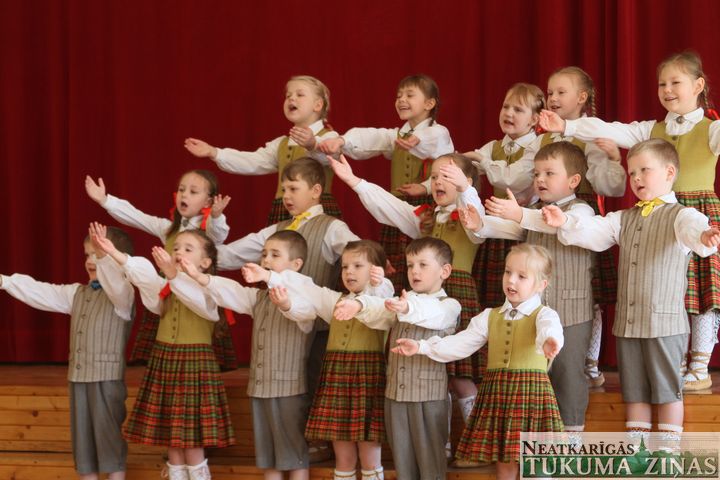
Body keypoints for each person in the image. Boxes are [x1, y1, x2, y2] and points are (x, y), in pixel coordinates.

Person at [539, 52, 720, 390]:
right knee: (670, 291)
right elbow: (609, 129)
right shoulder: (653, 129)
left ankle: (699, 364)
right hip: (658, 215)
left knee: (702, 292)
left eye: (675, 82)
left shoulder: (712, 129)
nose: (666, 89)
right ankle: (677, 359)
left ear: (698, 85)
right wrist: (568, 126)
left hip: (696, 212)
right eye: (661, 84)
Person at [543, 138, 720, 442]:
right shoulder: (623, 218)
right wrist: (566, 221)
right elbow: (593, 232)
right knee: (634, 390)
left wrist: (704, 235)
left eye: (644, 170)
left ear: (669, 172)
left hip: (664, 324)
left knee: (667, 391)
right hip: (628, 325)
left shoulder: (681, 215)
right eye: (632, 172)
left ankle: (666, 454)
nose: (636, 178)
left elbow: (694, 229)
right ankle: (637, 453)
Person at [329, 152, 482, 447]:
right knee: (435, 374)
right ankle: (445, 444)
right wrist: (354, 181)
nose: (438, 181)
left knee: (460, 376)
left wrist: (465, 189)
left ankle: (474, 442)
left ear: (465, 181)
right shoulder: (427, 217)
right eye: (434, 176)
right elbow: (391, 208)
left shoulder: (471, 216)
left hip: (456, 291)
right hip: (420, 296)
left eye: (446, 176)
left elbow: (473, 209)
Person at [216, 156, 360, 462]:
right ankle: (301, 447)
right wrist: (203, 240)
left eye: (294, 188)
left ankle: (319, 444)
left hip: (319, 325)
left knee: (314, 380)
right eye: (283, 189)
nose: (286, 196)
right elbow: (228, 256)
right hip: (283, 323)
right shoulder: (276, 231)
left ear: (316, 190)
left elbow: (357, 254)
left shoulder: (332, 227)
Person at [391, 244, 564, 480]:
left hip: (530, 395)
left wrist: (551, 341)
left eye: (521, 276)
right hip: (499, 394)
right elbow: (460, 343)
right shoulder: (489, 317)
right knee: (504, 460)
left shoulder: (544, 314)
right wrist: (421, 346)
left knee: (536, 461)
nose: (511, 280)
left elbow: (549, 329)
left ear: (541, 285)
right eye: (507, 272)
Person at [458, 141, 596, 432]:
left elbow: (559, 225)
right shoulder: (533, 211)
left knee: (567, 376)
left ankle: (570, 445)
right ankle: (537, 445)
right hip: (532, 314)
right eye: (536, 174)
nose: (540, 180)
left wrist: (519, 214)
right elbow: (510, 228)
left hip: (570, 312)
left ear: (573, 181)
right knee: (533, 381)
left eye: (549, 173)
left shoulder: (582, 211)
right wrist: (479, 225)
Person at [93, 227, 236, 480]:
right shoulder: (166, 285)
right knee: (173, 437)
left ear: (205, 262)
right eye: (176, 248)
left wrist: (174, 276)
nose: (178, 252)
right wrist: (114, 253)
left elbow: (200, 305)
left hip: (194, 363)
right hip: (166, 360)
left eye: (187, 249)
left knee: (191, 440)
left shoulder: (211, 289)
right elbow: (145, 277)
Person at [0, 225, 134, 480]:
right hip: (78, 377)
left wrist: (107, 258)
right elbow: (42, 292)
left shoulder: (123, 295)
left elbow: (116, 282)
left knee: (108, 436)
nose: (90, 260)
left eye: (98, 253)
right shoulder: (77, 293)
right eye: (87, 254)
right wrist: (5, 281)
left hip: (106, 379)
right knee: (82, 439)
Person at [181, 230, 316, 480]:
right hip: (260, 388)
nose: (266, 259)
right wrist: (199, 277)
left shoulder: (303, 293)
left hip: (288, 389)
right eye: (264, 254)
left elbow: (303, 312)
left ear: (296, 264)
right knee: (268, 456)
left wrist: (286, 304)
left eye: (275, 254)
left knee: (294, 453)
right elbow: (230, 290)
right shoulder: (258, 298)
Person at [333, 237, 461, 480]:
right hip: (395, 398)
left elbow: (432, 314)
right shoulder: (403, 301)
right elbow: (380, 308)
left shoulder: (449, 305)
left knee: (431, 466)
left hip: (428, 398)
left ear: (444, 271)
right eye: (411, 265)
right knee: (404, 465)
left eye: (423, 265)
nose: (415, 271)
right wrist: (359, 305)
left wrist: (406, 309)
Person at [85, 170, 235, 369]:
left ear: (207, 202)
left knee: (193, 345)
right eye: (181, 190)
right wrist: (105, 200)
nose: (184, 195)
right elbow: (138, 217)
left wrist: (216, 216)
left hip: (197, 296)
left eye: (193, 191)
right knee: (168, 347)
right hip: (168, 293)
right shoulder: (168, 228)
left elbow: (219, 234)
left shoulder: (207, 233)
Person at [318, 74, 453, 291]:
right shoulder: (397, 135)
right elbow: (371, 137)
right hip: (396, 206)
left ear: (429, 103)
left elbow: (439, 148)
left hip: (426, 207)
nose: (401, 100)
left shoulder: (437, 132)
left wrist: (425, 186)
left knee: (423, 261)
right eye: (398, 96)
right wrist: (342, 140)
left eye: (410, 95)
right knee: (398, 265)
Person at [540, 66, 627, 386]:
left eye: (561, 92)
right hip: (548, 214)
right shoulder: (545, 136)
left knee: (588, 293)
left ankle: (589, 362)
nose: (553, 98)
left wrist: (614, 159)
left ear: (581, 97)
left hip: (581, 216)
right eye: (550, 93)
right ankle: (551, 357)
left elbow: (611, 186)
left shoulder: (592, 133)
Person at [279, 240, 394, 480]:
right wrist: (271, 276)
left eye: (358, 266)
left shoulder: (380, 299)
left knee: (369, 452)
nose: (349, 271)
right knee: (343, 455)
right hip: (337, 377)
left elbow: (382, 296)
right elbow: (309, 289)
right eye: (344, 266)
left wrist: (380, 281)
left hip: (366, 377)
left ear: (374, 269)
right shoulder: (336, 300)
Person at [184, 75, 341, 224]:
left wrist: (312, 144)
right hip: (284, 210)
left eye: (300, 94)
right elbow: (252, 161)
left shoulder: (330, 137)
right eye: (288, 96)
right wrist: (214, 152)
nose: (291, 98)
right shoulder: (281, 144)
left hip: (315, 210)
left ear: (318, 105)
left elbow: (328, 156)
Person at [464, 83, 545, 311]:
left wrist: (484, 162)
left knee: (523, 291)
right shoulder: (493, 147)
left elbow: (513, 179)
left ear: (534, 119)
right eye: (505, 107)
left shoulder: (537, 146)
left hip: (524, 227)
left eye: (518, 110)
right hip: (496, 228)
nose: (508, 113)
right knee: (493, 294)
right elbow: (466, 166)